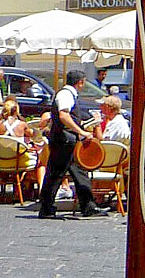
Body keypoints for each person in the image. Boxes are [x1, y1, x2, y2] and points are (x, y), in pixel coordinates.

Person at [36, 70, 103, 219]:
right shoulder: (66, 94)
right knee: (56, 174)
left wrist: (83, 125)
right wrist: (81, 131)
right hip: (64, 140)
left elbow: (68, 116)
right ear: (80, 82)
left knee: (79, 172)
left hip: (67, 140)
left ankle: (88, 206)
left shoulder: (67, 94)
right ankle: (46, 208)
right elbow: (64, 115)